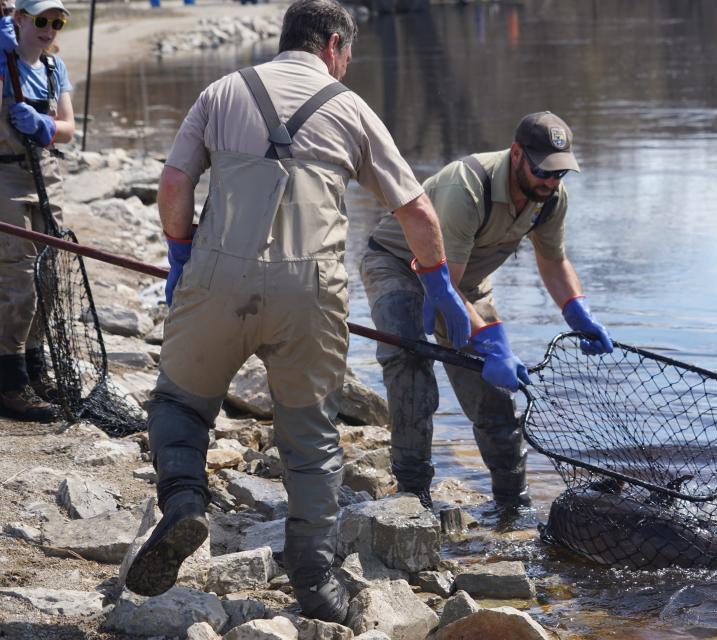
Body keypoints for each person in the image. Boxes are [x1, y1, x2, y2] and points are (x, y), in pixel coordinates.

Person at [123, 0, 469, 624]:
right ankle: (315, 580)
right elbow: (417, 211)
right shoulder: (350, 109)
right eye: (349, 56)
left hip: (216, 279)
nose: (347, 66)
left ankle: (183, 502)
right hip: (309, 293)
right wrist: (439, 286)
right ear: (334, 45)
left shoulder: (223, 90)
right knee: (311, 440)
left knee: (179, 403)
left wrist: (180, 257)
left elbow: (174, 182)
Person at [360, 111, 614, 512]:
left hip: (465, 281)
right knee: (410, 368)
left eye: (559, 173)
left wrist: (578, 312)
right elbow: (444, 286)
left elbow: (553, 261)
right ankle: (413, 496)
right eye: (542, 170)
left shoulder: (550, 199)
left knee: (492, 391)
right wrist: (492, 343)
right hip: (398, 265)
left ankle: (513, 504)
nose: (550, 181)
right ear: (516, 155)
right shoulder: (468, 186)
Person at [0, 0, 74, 423]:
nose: (49, 28)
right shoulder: (3, 60)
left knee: (48, 275)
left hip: (47, 177)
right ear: (20, 19)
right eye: (41, 20)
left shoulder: (53, 68)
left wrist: (45, 126)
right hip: (6, 178)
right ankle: (9, 381)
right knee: (19, 277)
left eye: (57, 22)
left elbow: (68, 127)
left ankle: (34, 367)